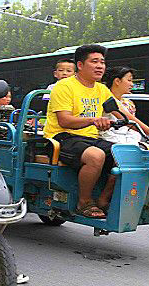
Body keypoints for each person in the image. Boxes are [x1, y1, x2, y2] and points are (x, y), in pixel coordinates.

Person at [43, 44, 117, 218]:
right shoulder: (64, 86)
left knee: (125, 155)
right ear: (81, 65)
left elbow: (123, 112)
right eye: (95, 61)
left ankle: (103, 200)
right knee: (96, 156)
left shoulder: (102, 89)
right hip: (60, 137)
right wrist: (93, 120)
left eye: (103, 62)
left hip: (89, 139)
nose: (100, 66)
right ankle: (83, 202)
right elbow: (65, 120)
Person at [100, 66, 149, 144]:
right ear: (117, 81)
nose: (132, 84)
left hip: (126, 139)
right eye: (129, 80)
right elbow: (128, 119)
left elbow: (132, 124)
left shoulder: (129, 103)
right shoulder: (104, 95)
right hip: (111, 141)